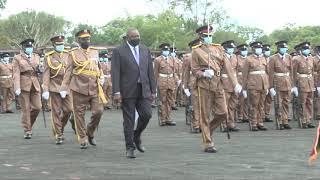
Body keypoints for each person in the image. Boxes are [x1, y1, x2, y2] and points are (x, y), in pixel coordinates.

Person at [191, 25, 242, 153]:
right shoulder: (196, 51)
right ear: (201, 37)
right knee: (205, 115)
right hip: (205, 85)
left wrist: (235, 83)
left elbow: (228, 67)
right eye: (206, 36)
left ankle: (208, 130)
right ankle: (208, 143)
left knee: (223, 113)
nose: (209, 38)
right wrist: (203, 73)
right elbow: (194, 70)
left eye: (210, 36)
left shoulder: (218, 48)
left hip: (219, 84)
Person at [111, 28, 156, 158]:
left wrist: (153, 90)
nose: (136, 38)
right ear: (127, 38)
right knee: (129, 120)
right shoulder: (119, 51)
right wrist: (117, 92)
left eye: (138, 36)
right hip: (127, 90)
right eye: (133, 36)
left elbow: (150, 72)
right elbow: (115, 72)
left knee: (147, 115)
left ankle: (137, 135)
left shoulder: (145, 49)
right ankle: (129, 147)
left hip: (144, 89)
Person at [60, 29, 107, 149]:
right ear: (78, 40)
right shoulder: (73, 54)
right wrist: (64, 88)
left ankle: (90, 132)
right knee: (79, 114)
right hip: (79, 87)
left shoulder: (95, 52)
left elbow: (98, 67)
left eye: (88, 38)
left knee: (98, 111)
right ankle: (82, 138)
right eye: (84, 39)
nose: (87, 41)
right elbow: (69, 71)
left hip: (95, 87)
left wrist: (101, 77)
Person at [42, 35, 73, 144]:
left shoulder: (68, 54)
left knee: (69, 109)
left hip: (67, 87)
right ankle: (59, 134)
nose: (61, 46)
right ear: (54, 45)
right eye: (58, 44)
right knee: (56, 111)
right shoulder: (49, 57)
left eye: (62, 44)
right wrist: (45, 89)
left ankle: (60, 128)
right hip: (55, 87)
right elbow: (46, 74)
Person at [13, 39, 42, 139]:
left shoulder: (36, 56)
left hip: (35, 83)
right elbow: (16, 73)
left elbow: (39, 70)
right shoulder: (17, 58)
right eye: (27, 47)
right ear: (23, 48)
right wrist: (17, 87)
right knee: (25, 109)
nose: (29, 48)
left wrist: (40, 70)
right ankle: (27, 130)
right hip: (23, 84)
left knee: (37, 107)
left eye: (30, 47)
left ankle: (29, 124)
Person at [242, 41, 269, 131]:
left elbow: (267, 73)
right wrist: (244, 88)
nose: (259, 50)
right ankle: (253, 123)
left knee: (261, 105)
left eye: (260, 48)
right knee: (254, 105)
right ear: (253, 49)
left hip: (263, 85)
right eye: (257, 48)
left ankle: (260, 122)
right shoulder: (248, 59)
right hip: (253, 85)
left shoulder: (263, 58)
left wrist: (267, 85)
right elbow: (244, 74)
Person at [268, 41, 293, 130]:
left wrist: (292, 85)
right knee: (278, 103)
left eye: (285, 48)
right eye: (282, 48)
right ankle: (280, 121)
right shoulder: (273, 58)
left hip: (287, 82)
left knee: (286, 103)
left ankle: (285, 121)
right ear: (278, 49)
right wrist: (270, 87)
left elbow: (291, 72)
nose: (284, 49)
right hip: (277, 83)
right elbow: (270, 73)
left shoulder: (289, 57)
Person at [292, 42, 316, 128]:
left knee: (309, 102)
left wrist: (314, 84)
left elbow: (312, 72)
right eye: (305, 49)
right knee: (302, 102)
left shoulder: (311, 58)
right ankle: (303, 121)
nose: (307, 50)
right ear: (301, 50)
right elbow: (293, 73)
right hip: (301, 82)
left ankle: (309, 120)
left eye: (308, 49)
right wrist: (294, 85)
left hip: (310, 83)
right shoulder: (296, 59)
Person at [154, 43, 177, 126]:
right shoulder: (157, 60)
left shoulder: (172, 59)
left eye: (167, 50)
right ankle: (162, 118)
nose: (166, 51)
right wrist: (154, 85)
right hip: (162, 81)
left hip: (170, 81)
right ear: (161, 51)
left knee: (170, 100)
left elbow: (174, 71)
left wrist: (175, 81)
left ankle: (168, 118)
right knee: (162, 100)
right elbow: (156, 73)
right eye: (164, 50)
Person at [182, 39, 201, 133]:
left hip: (205, 84)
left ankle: (202, 123)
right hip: (193, 83)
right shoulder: (189, 58)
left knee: (204, 106)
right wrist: (185, 86)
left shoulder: (206, 56)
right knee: (195, 105)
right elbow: (185, 73)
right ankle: (196, 124)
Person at [221, 40, 240, 132]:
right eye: (230, 48)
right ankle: (224, 124)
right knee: (224, 105)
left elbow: (236, 70)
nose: (232, 50)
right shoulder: (221, 57)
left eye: (232, 48)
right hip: (225, 83)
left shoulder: (235, 57)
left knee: (232, 105)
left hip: (234, 84)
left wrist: (238, 83)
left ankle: (231, 123)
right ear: (225, 48)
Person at [236, 44, 249, 123]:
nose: (244, 51)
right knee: (240, 99)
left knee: (247, 99)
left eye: (245, 50)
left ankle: (246, 116)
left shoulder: (249, 58)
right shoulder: (237, 59)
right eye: (243, 50)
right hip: (239, 80)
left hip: (248, 80)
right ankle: (240, 116)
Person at [263, 44, 273, 122]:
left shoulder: (272, 59)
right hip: (262, 81)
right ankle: (261, 115)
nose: (267, 52)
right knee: (262, 99)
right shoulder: (261, 59)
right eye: (266, 50)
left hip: (271, 81)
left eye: (268, 50)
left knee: (269, 99)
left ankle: (267, 114)